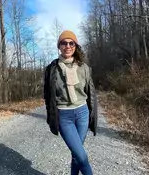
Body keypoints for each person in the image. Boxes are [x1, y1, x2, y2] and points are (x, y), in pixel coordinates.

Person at [43, 30, 98, 175]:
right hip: (64, 116)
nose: (67, 46)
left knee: (76, 155)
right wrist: (52, 117)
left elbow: (91, 93)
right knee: (81, 156)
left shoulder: (84, 68)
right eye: (63, 43)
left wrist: (93, 114)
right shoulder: (51, 69)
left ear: (75, 46)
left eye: (71, 43)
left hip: (82, 113)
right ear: (59, 46)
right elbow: (47, 95)